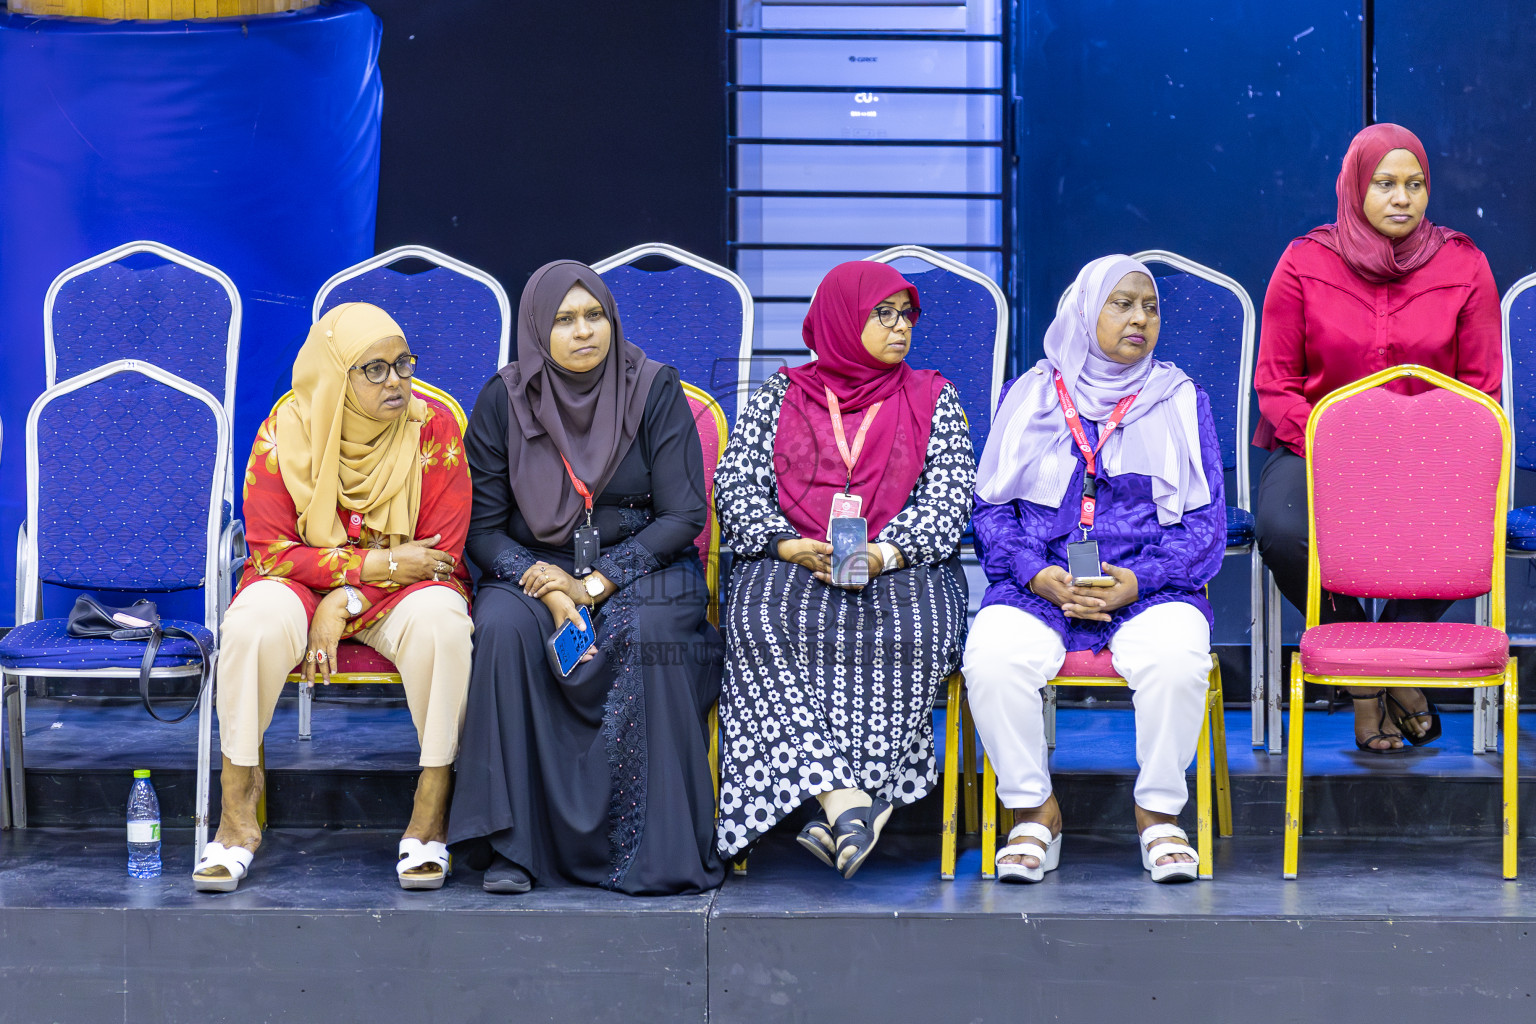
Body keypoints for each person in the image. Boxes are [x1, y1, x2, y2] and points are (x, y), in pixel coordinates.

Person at [446, 260, 724, 896]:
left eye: (594, 316)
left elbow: (685, 513)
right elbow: (483, 529)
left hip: (643, 563)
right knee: (501, 629)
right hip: (532, 567)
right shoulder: (503, 400)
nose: (583, 332)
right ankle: (515, 849)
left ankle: (648, 850)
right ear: (539, 329)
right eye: (565, 320)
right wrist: (542, 581)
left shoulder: (654, 388)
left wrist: (597, 583)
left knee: (650, 626)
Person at [961, 255, 1225, 884]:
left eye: (1151, 307)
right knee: (992, 659)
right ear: (1085, 311)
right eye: (1122, 303)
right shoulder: (1027, 397)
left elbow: (1206, 526)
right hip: (1042, 587)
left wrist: (1142, 580)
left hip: (1147, 585)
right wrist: (1031, 572)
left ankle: (1158, 814)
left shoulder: (1182, 399)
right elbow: (990, 511)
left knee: (1177, 660)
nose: (1140, 318)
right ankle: (1033, 810)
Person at [194, 302, 473, 893]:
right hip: (314, 584)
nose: (397, 380)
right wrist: (371, 565)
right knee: (250, 623)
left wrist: (340, 601)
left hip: (402, 594)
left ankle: (432, 807)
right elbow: (269, 552)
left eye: (403, 363)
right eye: (374, 368)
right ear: (335, 374)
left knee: (445, 621)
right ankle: (238, 811)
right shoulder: (286, 428)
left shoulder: (436, 425)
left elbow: (440, 554)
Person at [714, 261, 975, 878]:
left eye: (905, 314)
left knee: (912, 628)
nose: (900, 327)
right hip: (793, 556)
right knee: (759, 623)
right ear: (840, 321)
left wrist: (882, 553)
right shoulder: (780, 395)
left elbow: (950, 497)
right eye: (881, 315)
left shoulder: (934, 397)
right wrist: (786, 545)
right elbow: (735, 485)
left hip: (901, 560)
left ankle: (824, 801)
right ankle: (852, 803)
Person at [1253, 122, 1502, 753]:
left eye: (1415, 185)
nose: (1402, 198)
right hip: (1314, 445)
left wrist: (1426, 451)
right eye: (1385, 184)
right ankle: (1371, 684)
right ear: (1355, 186)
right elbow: (1277, 382)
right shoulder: (1304, 262)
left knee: (1470, 525)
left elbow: (1480, 388)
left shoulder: (1464, 264)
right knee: (1283, 529)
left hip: (1433, 453)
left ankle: (1392, 664)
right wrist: (1336, 450)